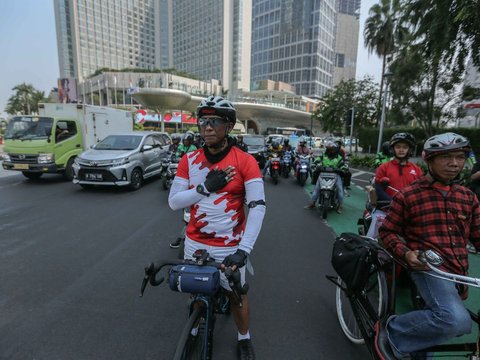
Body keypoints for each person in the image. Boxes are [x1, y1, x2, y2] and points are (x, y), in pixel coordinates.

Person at [168, 95, 265, 360]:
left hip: (230, 245)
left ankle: (244, 337)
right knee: (196, 290)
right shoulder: (189, 160)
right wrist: (205, 188)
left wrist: (243, 250)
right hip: (195, 241)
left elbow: (257, 206)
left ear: (229, 126)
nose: (207, 127)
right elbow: (174, 203)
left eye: (215, 121)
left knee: (237, 295)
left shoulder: (245, 161)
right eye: (203, 121)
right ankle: (197, 324)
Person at [375, 132, 480, 359]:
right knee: (456, 321)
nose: (454, 164)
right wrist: (407, 253)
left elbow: (478, 235)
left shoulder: (468, 197)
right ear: (428, 160)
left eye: (460, 157)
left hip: (459, 273)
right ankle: (391, 330)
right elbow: (387, 231)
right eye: (446, 157)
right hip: (430, 270)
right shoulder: (409, 195)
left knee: (445, 318)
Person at [367, 132, 422, 238]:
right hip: (385, 209)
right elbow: (377, 188)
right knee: (373, 239)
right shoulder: (384, 167)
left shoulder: (417, 170)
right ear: (393, 149)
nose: (401, 150)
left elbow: (420, 191)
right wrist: (394, 203)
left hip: (409, 212)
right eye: (398, 147)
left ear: (410, 150)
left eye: (405, 147)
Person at [304, 141, 347, 213]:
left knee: (340, 189)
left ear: (335, 149)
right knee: (316, 189)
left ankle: (340, 205)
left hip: (335, 175)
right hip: (323, 174)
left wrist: (342, 169)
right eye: (329, 149)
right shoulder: (323, 155)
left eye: (332, 149)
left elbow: (343, 165)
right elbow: (316, 161)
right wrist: (316, 165)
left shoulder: (339, 158)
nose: (331, 151)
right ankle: (313, 203)